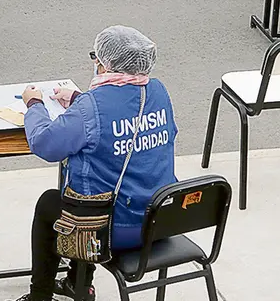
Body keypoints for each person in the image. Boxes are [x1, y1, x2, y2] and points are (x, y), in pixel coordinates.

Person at [12, 26, 178, 301]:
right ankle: (79, 285)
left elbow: (44, 143)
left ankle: (39, 295)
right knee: (86, 192)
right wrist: (78, 101)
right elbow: (126, 118)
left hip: (112, 230)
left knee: (52, 203)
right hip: (161, 219)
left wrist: (34, 106)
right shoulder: (158, 91)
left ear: (105, 64)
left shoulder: (92, 106)